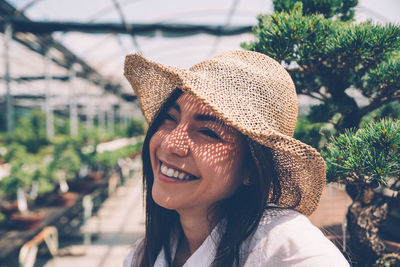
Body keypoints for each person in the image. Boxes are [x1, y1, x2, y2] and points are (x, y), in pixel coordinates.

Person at [123, 50, 349, 267]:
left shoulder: (286, 248)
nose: (170, 144)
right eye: (170, 118)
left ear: (251, 169)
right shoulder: (143, 254)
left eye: (208, 132)